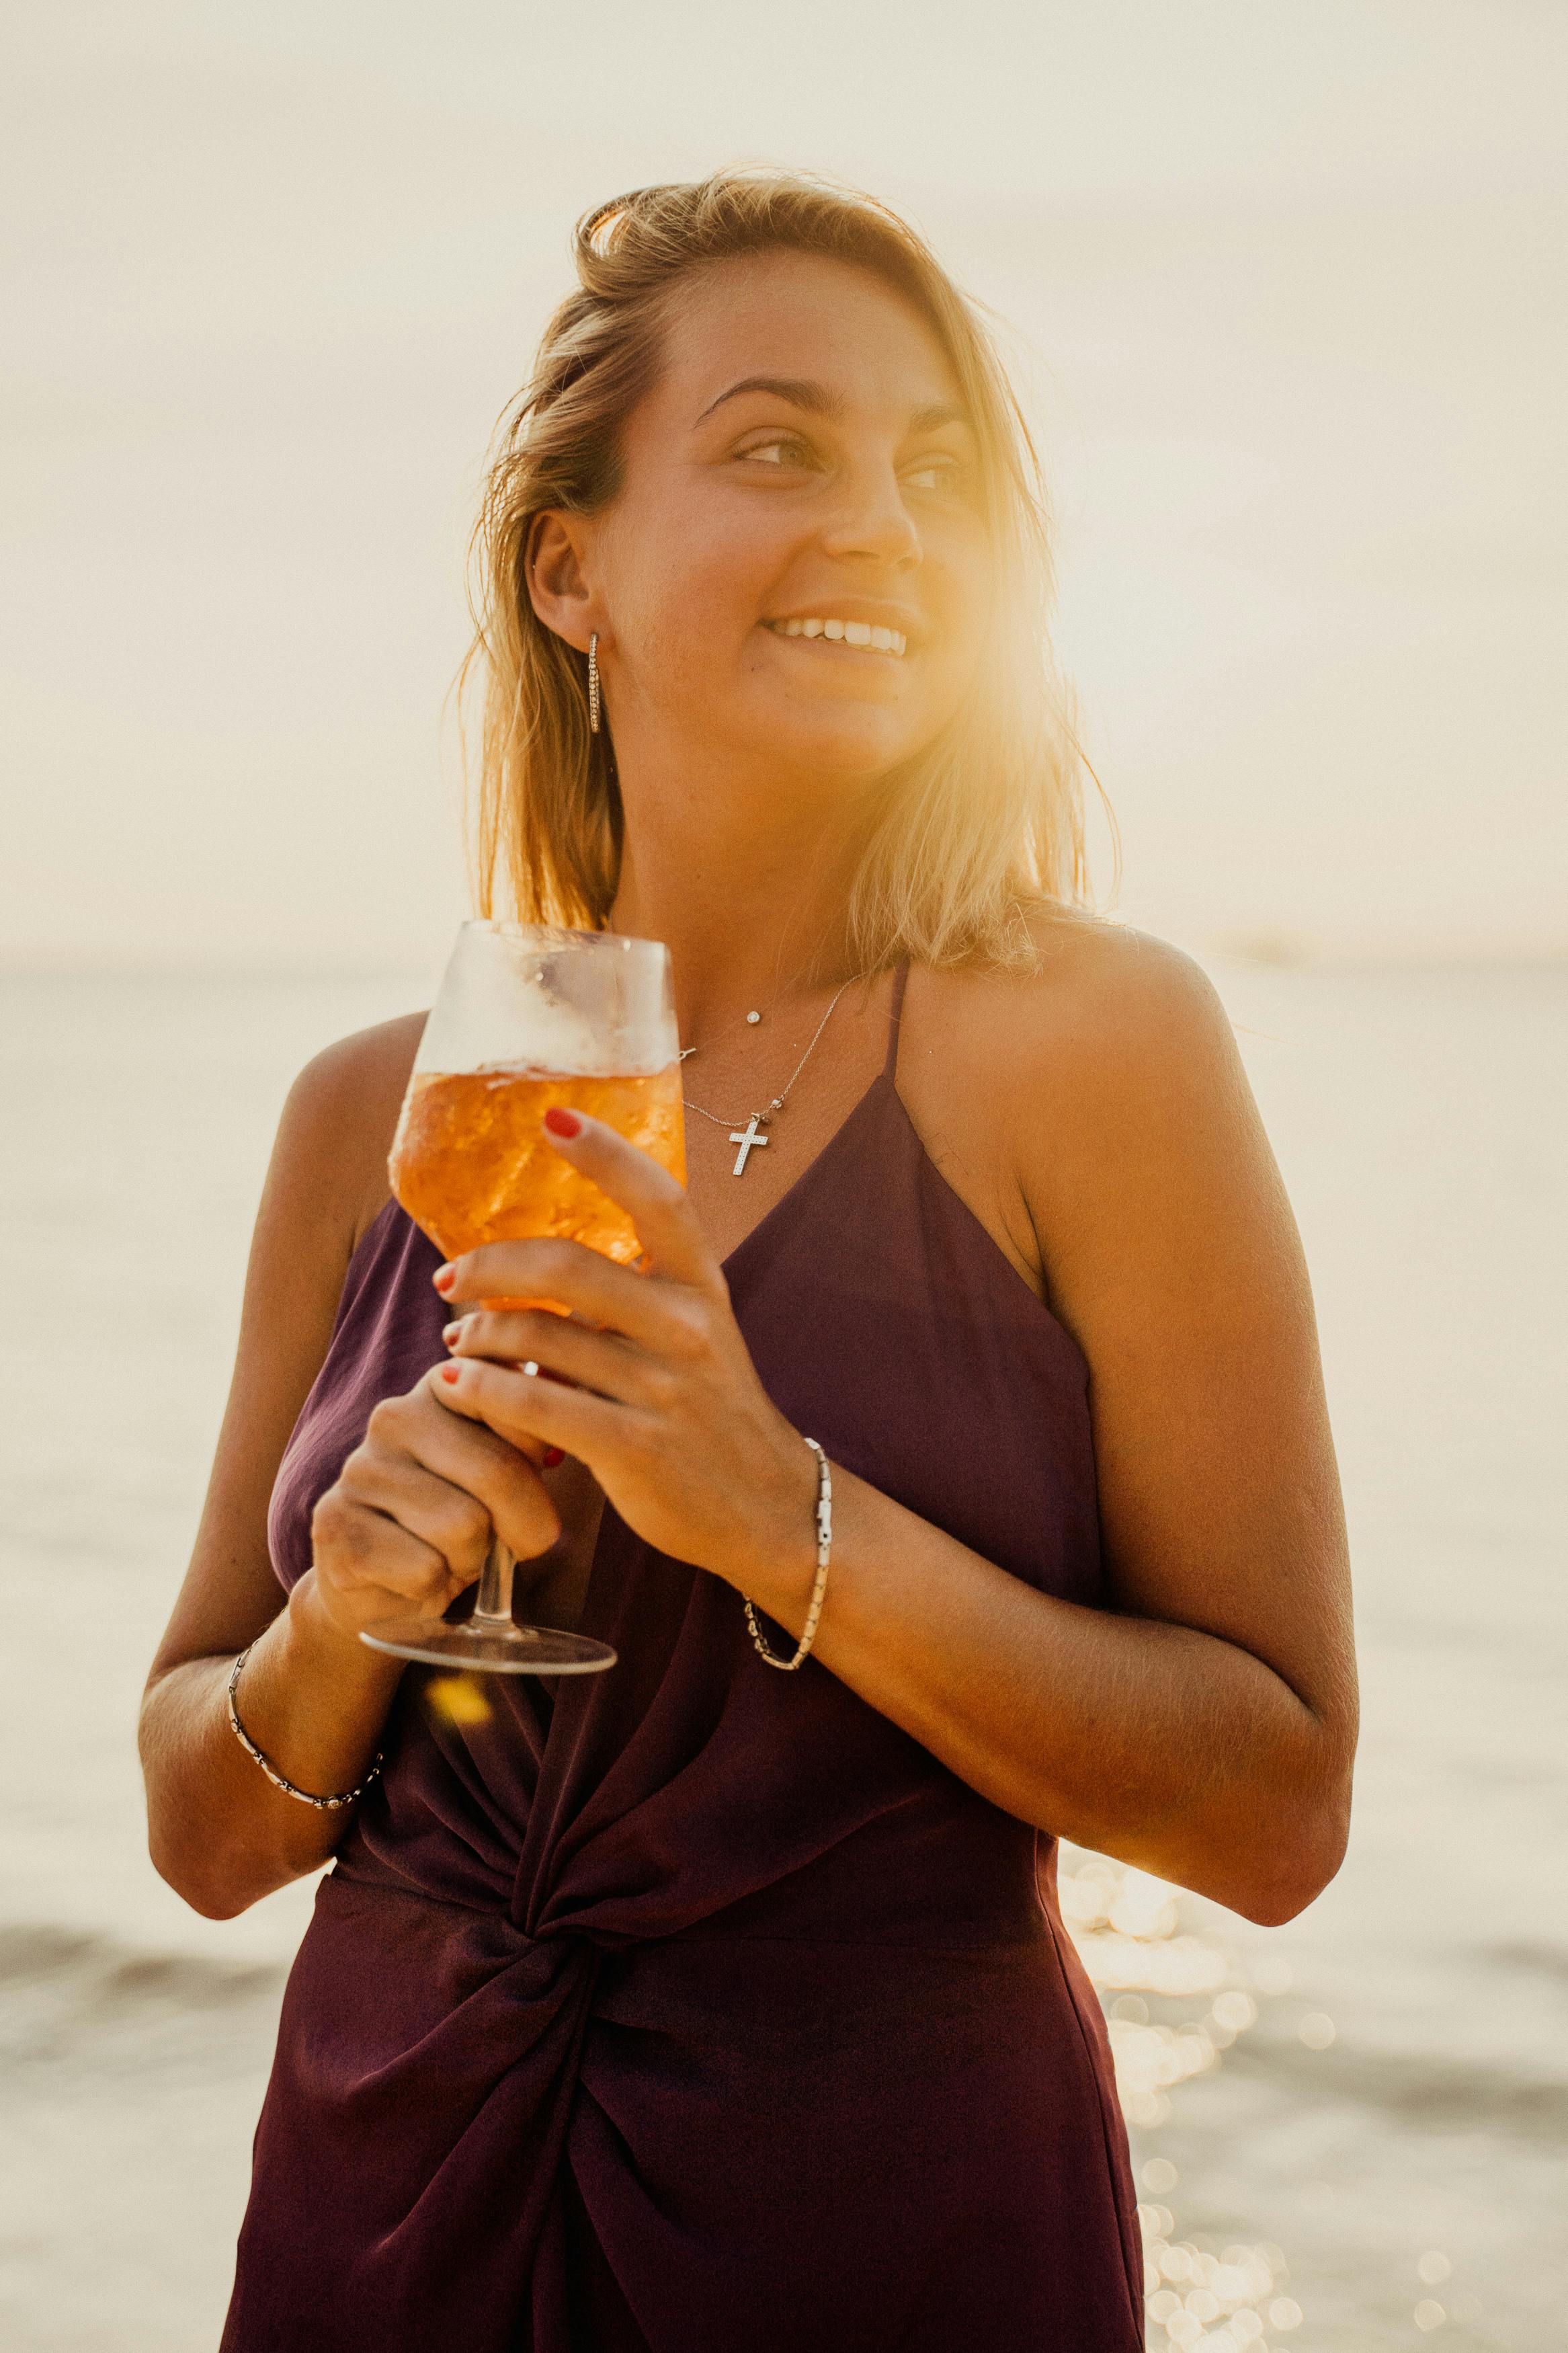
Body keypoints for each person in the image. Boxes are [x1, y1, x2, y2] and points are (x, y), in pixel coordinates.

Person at [139, 171, 1358, 2352]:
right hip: (378, 2204)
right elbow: (204, 1825)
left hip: (881, 2232)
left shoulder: (1102, 1047)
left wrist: (774, 1510)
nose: (884, 521)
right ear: (568, 562)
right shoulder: (375, 1109)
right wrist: (344, 1619)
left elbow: (1277, 1809)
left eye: (937, 471)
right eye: (781, 445)